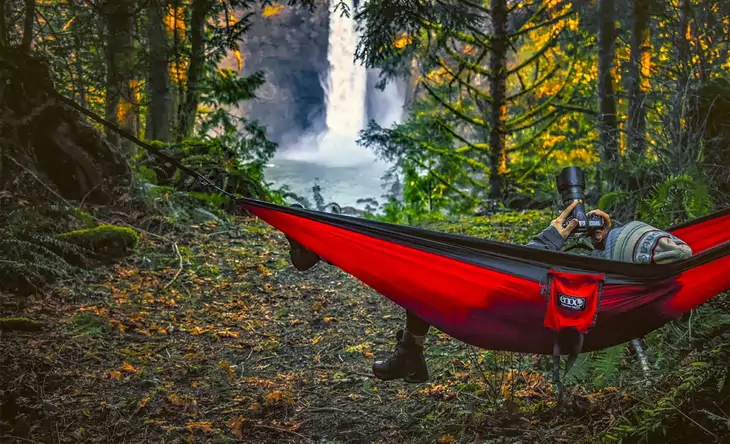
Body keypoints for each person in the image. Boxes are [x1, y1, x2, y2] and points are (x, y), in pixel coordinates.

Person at [371, 201, 693, 383]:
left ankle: (410, 353)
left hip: (502, 302)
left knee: (423, 276)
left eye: (616, 238)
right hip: (522, 306)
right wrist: (604, 241)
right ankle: (410, 355)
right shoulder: (624, 282)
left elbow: (519, 270)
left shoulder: (588, 279)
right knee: (424, 278)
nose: (610, 236)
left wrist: (552, 235)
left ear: (620, 254)